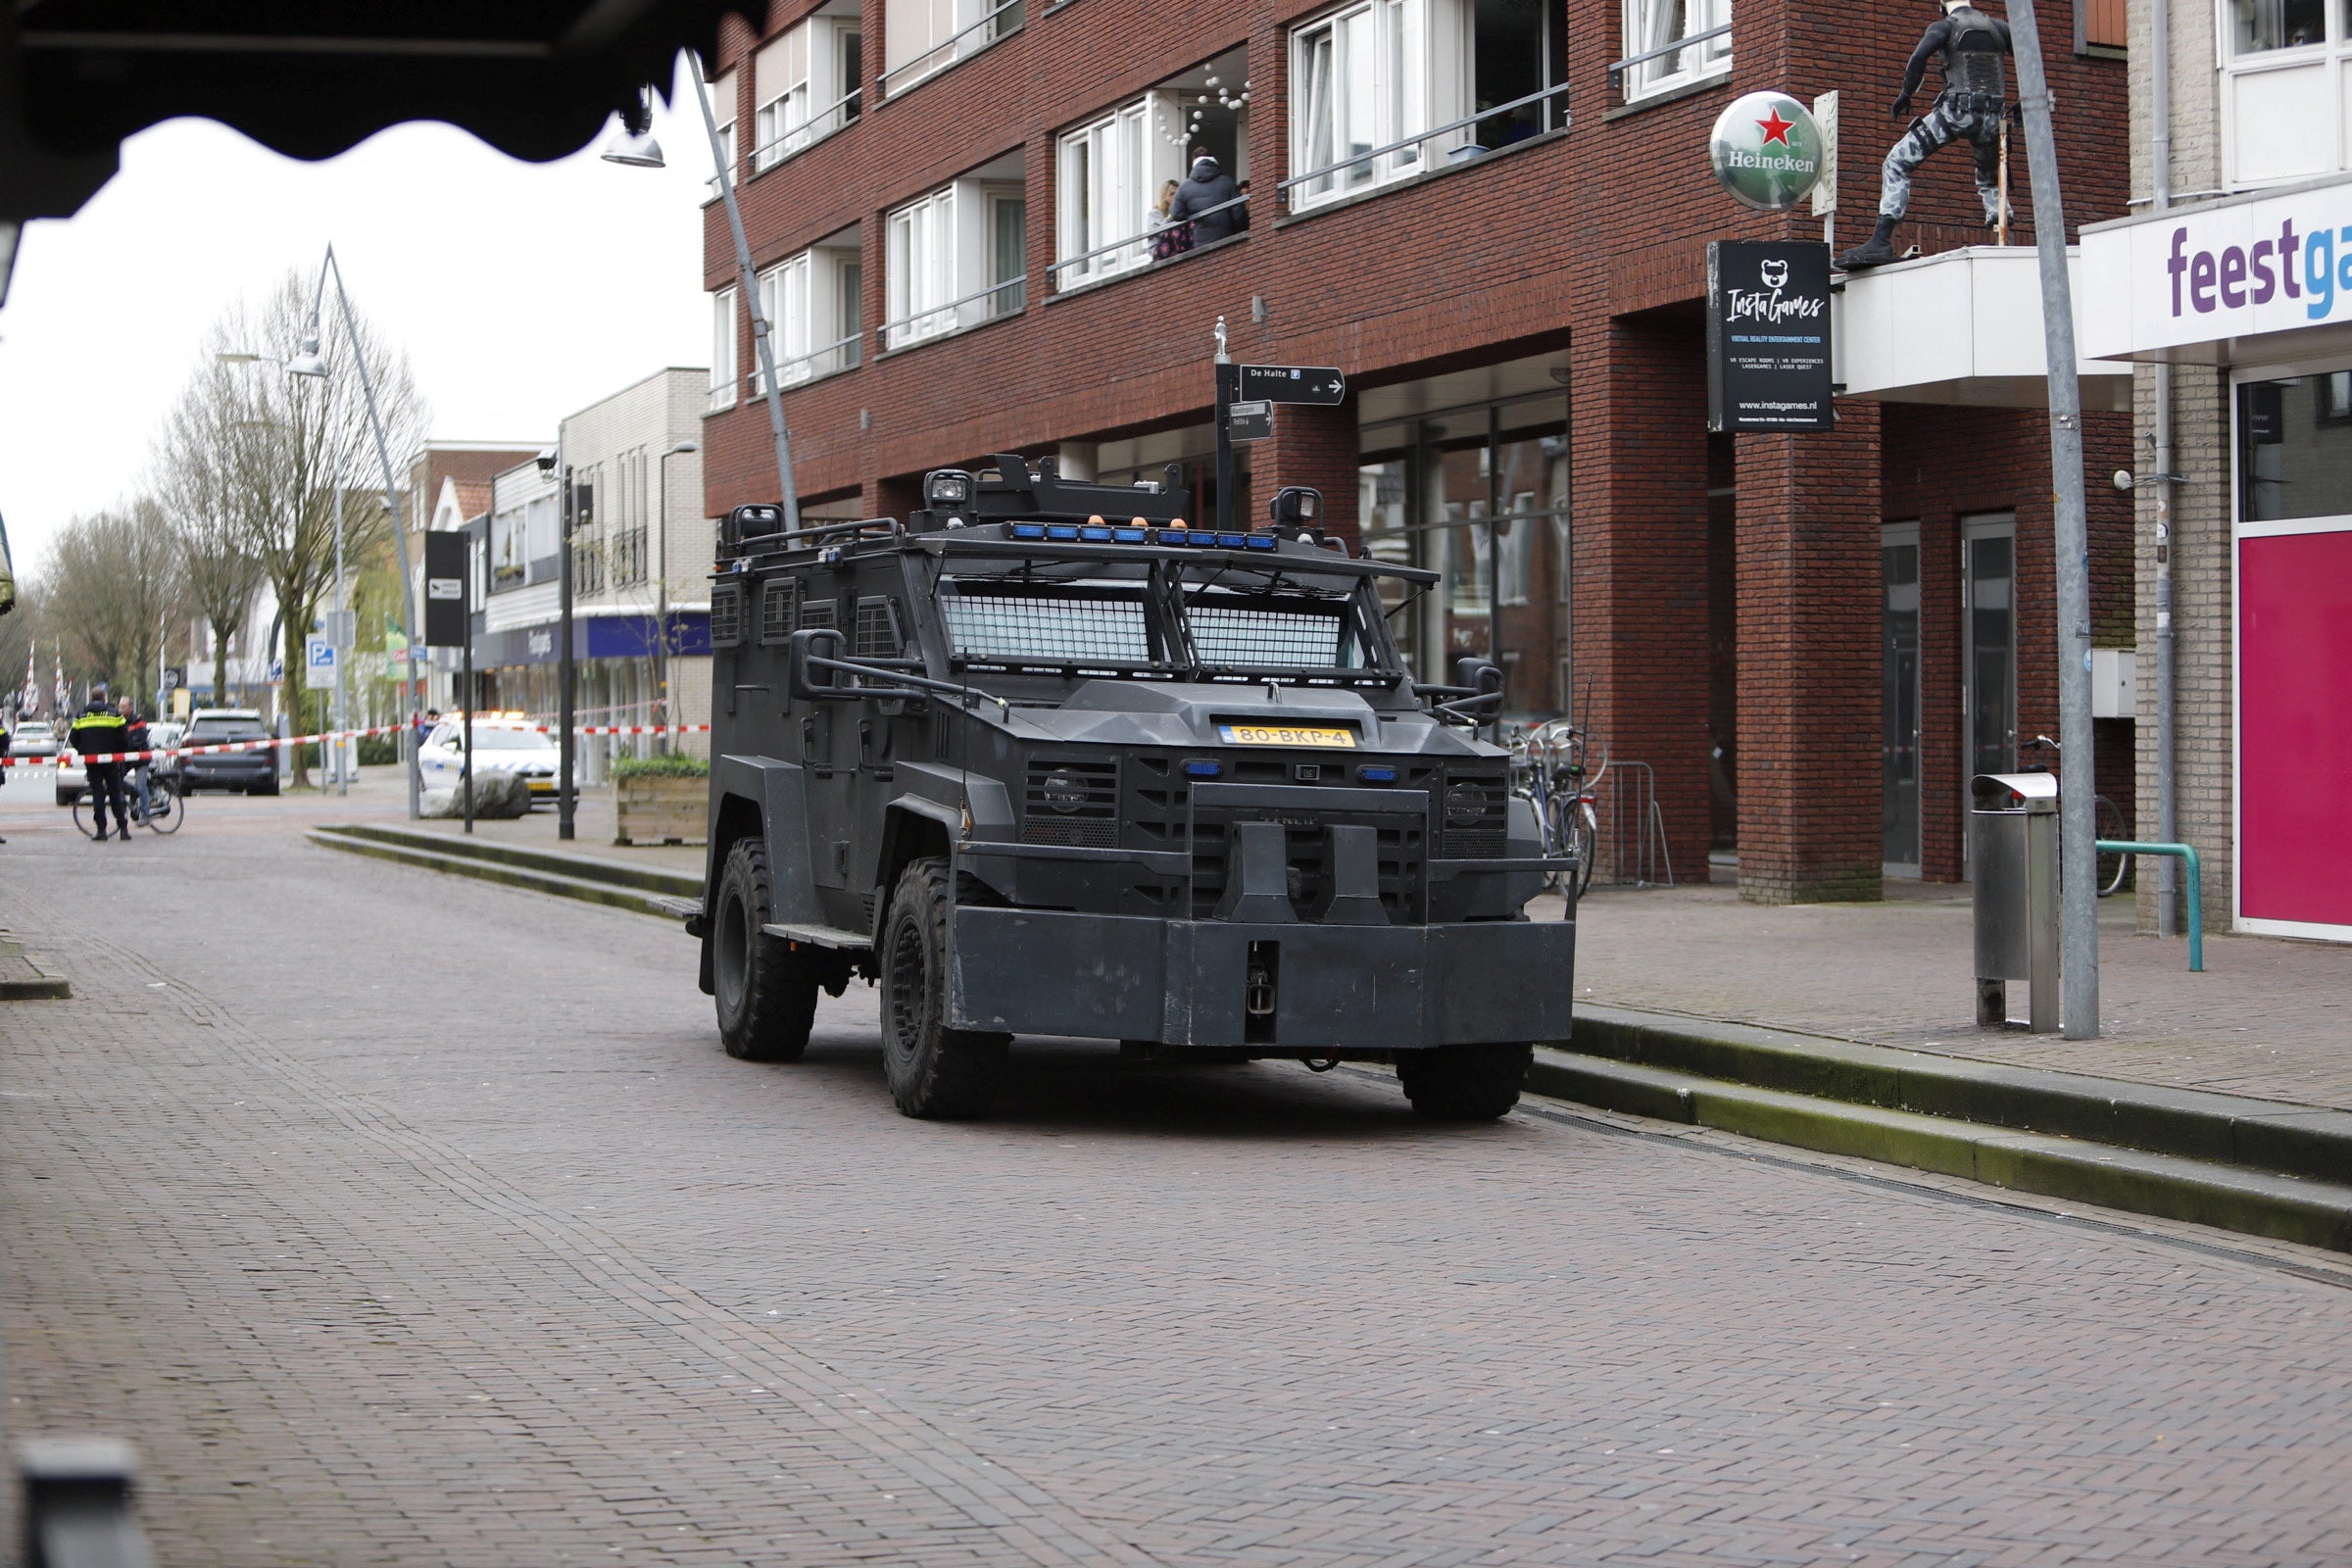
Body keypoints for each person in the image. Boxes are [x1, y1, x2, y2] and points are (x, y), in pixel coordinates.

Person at [1838, 0, 2014, 270]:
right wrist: (2025, 102)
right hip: (1993, 119)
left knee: (1897, 162)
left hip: (1956, 114)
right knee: (1990, 178)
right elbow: (2030, 60)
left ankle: (1881, 239)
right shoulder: (1999, 28)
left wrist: (1905, 94)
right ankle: (2001, 228)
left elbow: (1918, 57)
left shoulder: (1945, 27)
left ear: (1943, 5)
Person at [68, 683, 130, 842]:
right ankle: (123, 828)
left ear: (91, 698)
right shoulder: (115, 714)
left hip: (92, 761)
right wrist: (117, 753)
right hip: (110, 760)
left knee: (98, 795)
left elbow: (73, 738)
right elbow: (124, 737)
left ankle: (101, 830)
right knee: (115, 794)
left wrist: (84, 750)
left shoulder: (82, 715)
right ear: (104, 699)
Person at [1170, 151, 1242, 247]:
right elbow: (1238, 214)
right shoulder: (1228, 182)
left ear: (1194, 162)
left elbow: (1176, 214)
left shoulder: (1184, 187)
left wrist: (1192, 213)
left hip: (1201, 241)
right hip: (1227, 238)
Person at [117, 695, 154, 820]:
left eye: (123, 706)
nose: (120, 709)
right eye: (119, 706)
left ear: (130, 708)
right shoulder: (119, 721)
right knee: (115, 778)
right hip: (128, 758)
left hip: (141, 759)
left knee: (141, 785)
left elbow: (140, 739)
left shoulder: (138, 721)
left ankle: (146, 814)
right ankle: (133, 793)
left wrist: (127, 744)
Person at [1150, 178, 1191, 262]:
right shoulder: (1155, 213)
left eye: (1177, 194)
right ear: (1164, 196)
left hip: (1175, 246)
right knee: (1177, 229)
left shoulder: (1182, 211)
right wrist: (1170, 217)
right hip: (1159, 248)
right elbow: (1159, 233)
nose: (1175, 197)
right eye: (1172, 194)